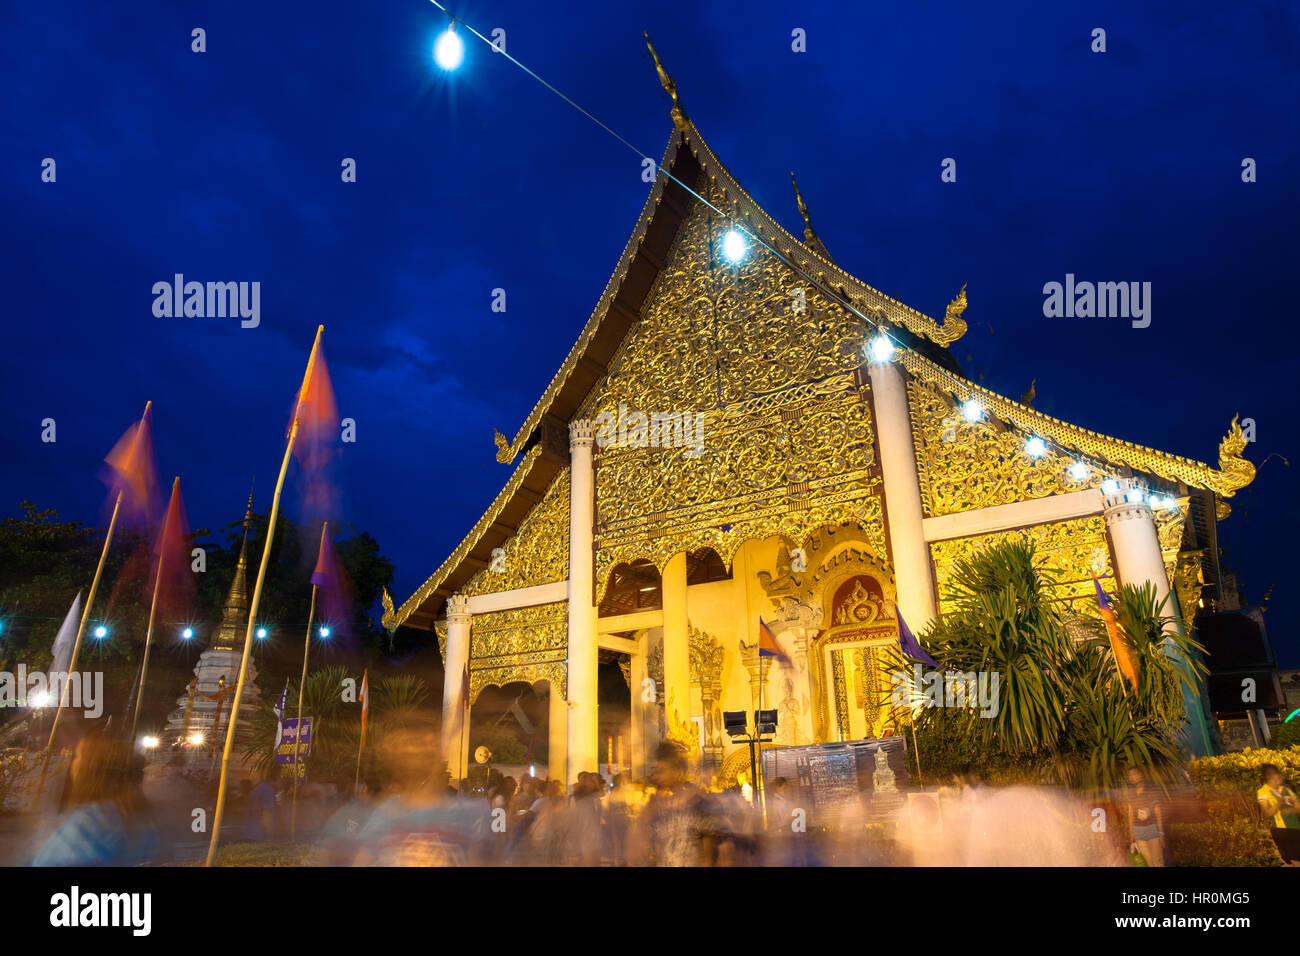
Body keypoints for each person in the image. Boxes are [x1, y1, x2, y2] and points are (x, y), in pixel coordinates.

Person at [32, 732, 158, 866]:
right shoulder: (135, 815)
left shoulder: (90, 822)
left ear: (90, 769)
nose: (72, 763)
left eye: (77, 756)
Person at [1257, 764, 1300, 864]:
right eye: (1278, 775)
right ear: (1270, 777)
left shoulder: (1287, 790)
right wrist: (1279, 802)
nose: (1281, 777)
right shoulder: (1263, 792)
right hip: (1283, 832)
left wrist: (1291, 810)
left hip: (1297, 828)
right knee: (1295, 861)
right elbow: (1267, 813)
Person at [1126, 766, 1164, 867]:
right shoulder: (1131, 794)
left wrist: (1161, 832)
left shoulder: (1150, 790)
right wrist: (1131, 834)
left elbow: (1158, 811)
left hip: (1152, 829)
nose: (1131, 777)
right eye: (1130, 775)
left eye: (1134, 774)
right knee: (1148, 863)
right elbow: (1130, 814)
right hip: (1138, 831)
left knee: (1158, 862)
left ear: (1141, 775)